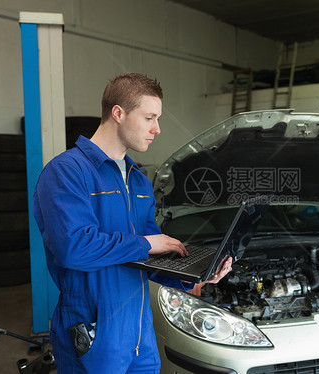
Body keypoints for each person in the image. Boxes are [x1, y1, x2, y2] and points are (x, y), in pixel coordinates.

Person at [32, 73, 232, 374]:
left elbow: (153, 258)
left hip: (140, 334)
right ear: (118, 113)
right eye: (150, 117)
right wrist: (146, 243)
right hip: (94, 331)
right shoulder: (67, 172)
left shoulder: (139, 181)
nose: (157, 129)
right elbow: (72, 247)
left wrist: (196, 274)